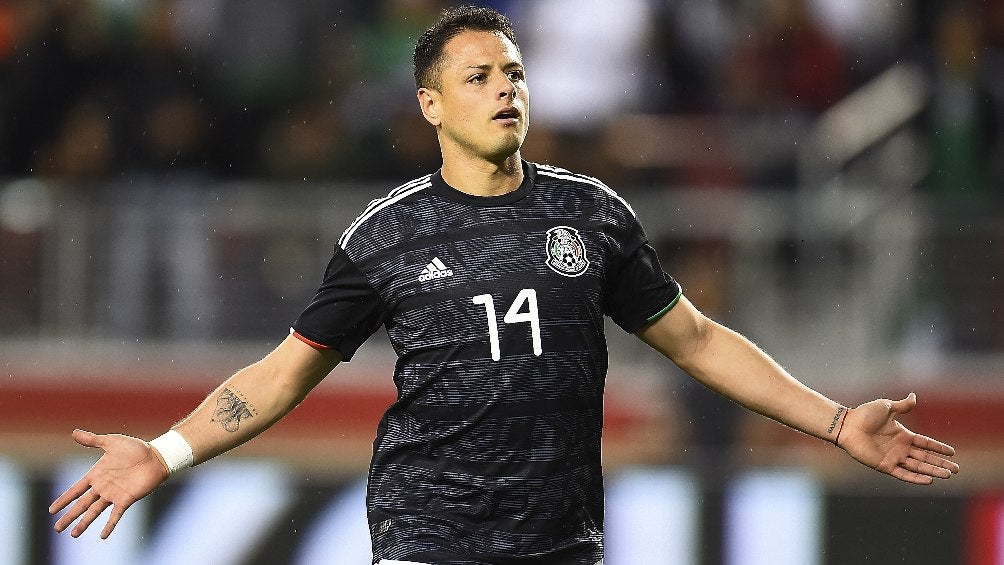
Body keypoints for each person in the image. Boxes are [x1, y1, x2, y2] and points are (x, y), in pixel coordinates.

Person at [49, 6, 960, 565]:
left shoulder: (594, 216)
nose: (504, 89)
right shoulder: (386, 234)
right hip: (427, 539)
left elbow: (697, 340)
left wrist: (838, 421)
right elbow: (282, 373)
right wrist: (163, 453)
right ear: (431, 105)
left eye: (515, 74)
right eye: (478, 76)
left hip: (560, 544)